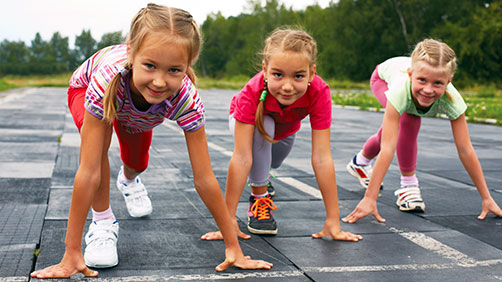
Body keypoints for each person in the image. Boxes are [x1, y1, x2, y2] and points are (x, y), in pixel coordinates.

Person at [30, 4, 272, 279]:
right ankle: (103, 223)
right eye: (150, 66)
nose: (159, 81)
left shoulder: (186, 100)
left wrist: (233, 247)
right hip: (93, 91)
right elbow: (88, 171)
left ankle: (129, 179)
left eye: (173, 70)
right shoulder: (103, 83)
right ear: (132, 53)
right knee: (95, 152)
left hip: (137, 112)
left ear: (188, 66)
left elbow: (204, 178)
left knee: (137, 163)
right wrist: (71, 251)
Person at [201, 28, 362, 241]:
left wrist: (333, 220)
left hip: (286, 130)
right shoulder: (252, 92)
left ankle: (263, 177)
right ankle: (259, 198)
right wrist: (227, 219)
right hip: (249, 123)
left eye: (298, 76)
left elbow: (322, 157)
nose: (287, 86)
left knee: (271, 163)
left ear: (311, 73)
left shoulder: (319, 91)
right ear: (265, 70)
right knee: (263, 132)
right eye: (278, 74)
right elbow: (241, 157)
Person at [342, 38, 502, 224]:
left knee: (393, 126)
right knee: (408, 120)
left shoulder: (453, 100)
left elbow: (465, 149)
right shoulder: (400, 91)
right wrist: (370, 198)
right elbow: (388, 148)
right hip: (382, 78)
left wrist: (487, 197)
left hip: (403, 81)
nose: (428, 90)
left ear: (448, 81)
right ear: (410, 75)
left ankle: (360, 161)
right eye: (422, 80)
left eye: (437, 83)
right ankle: (408, 187)